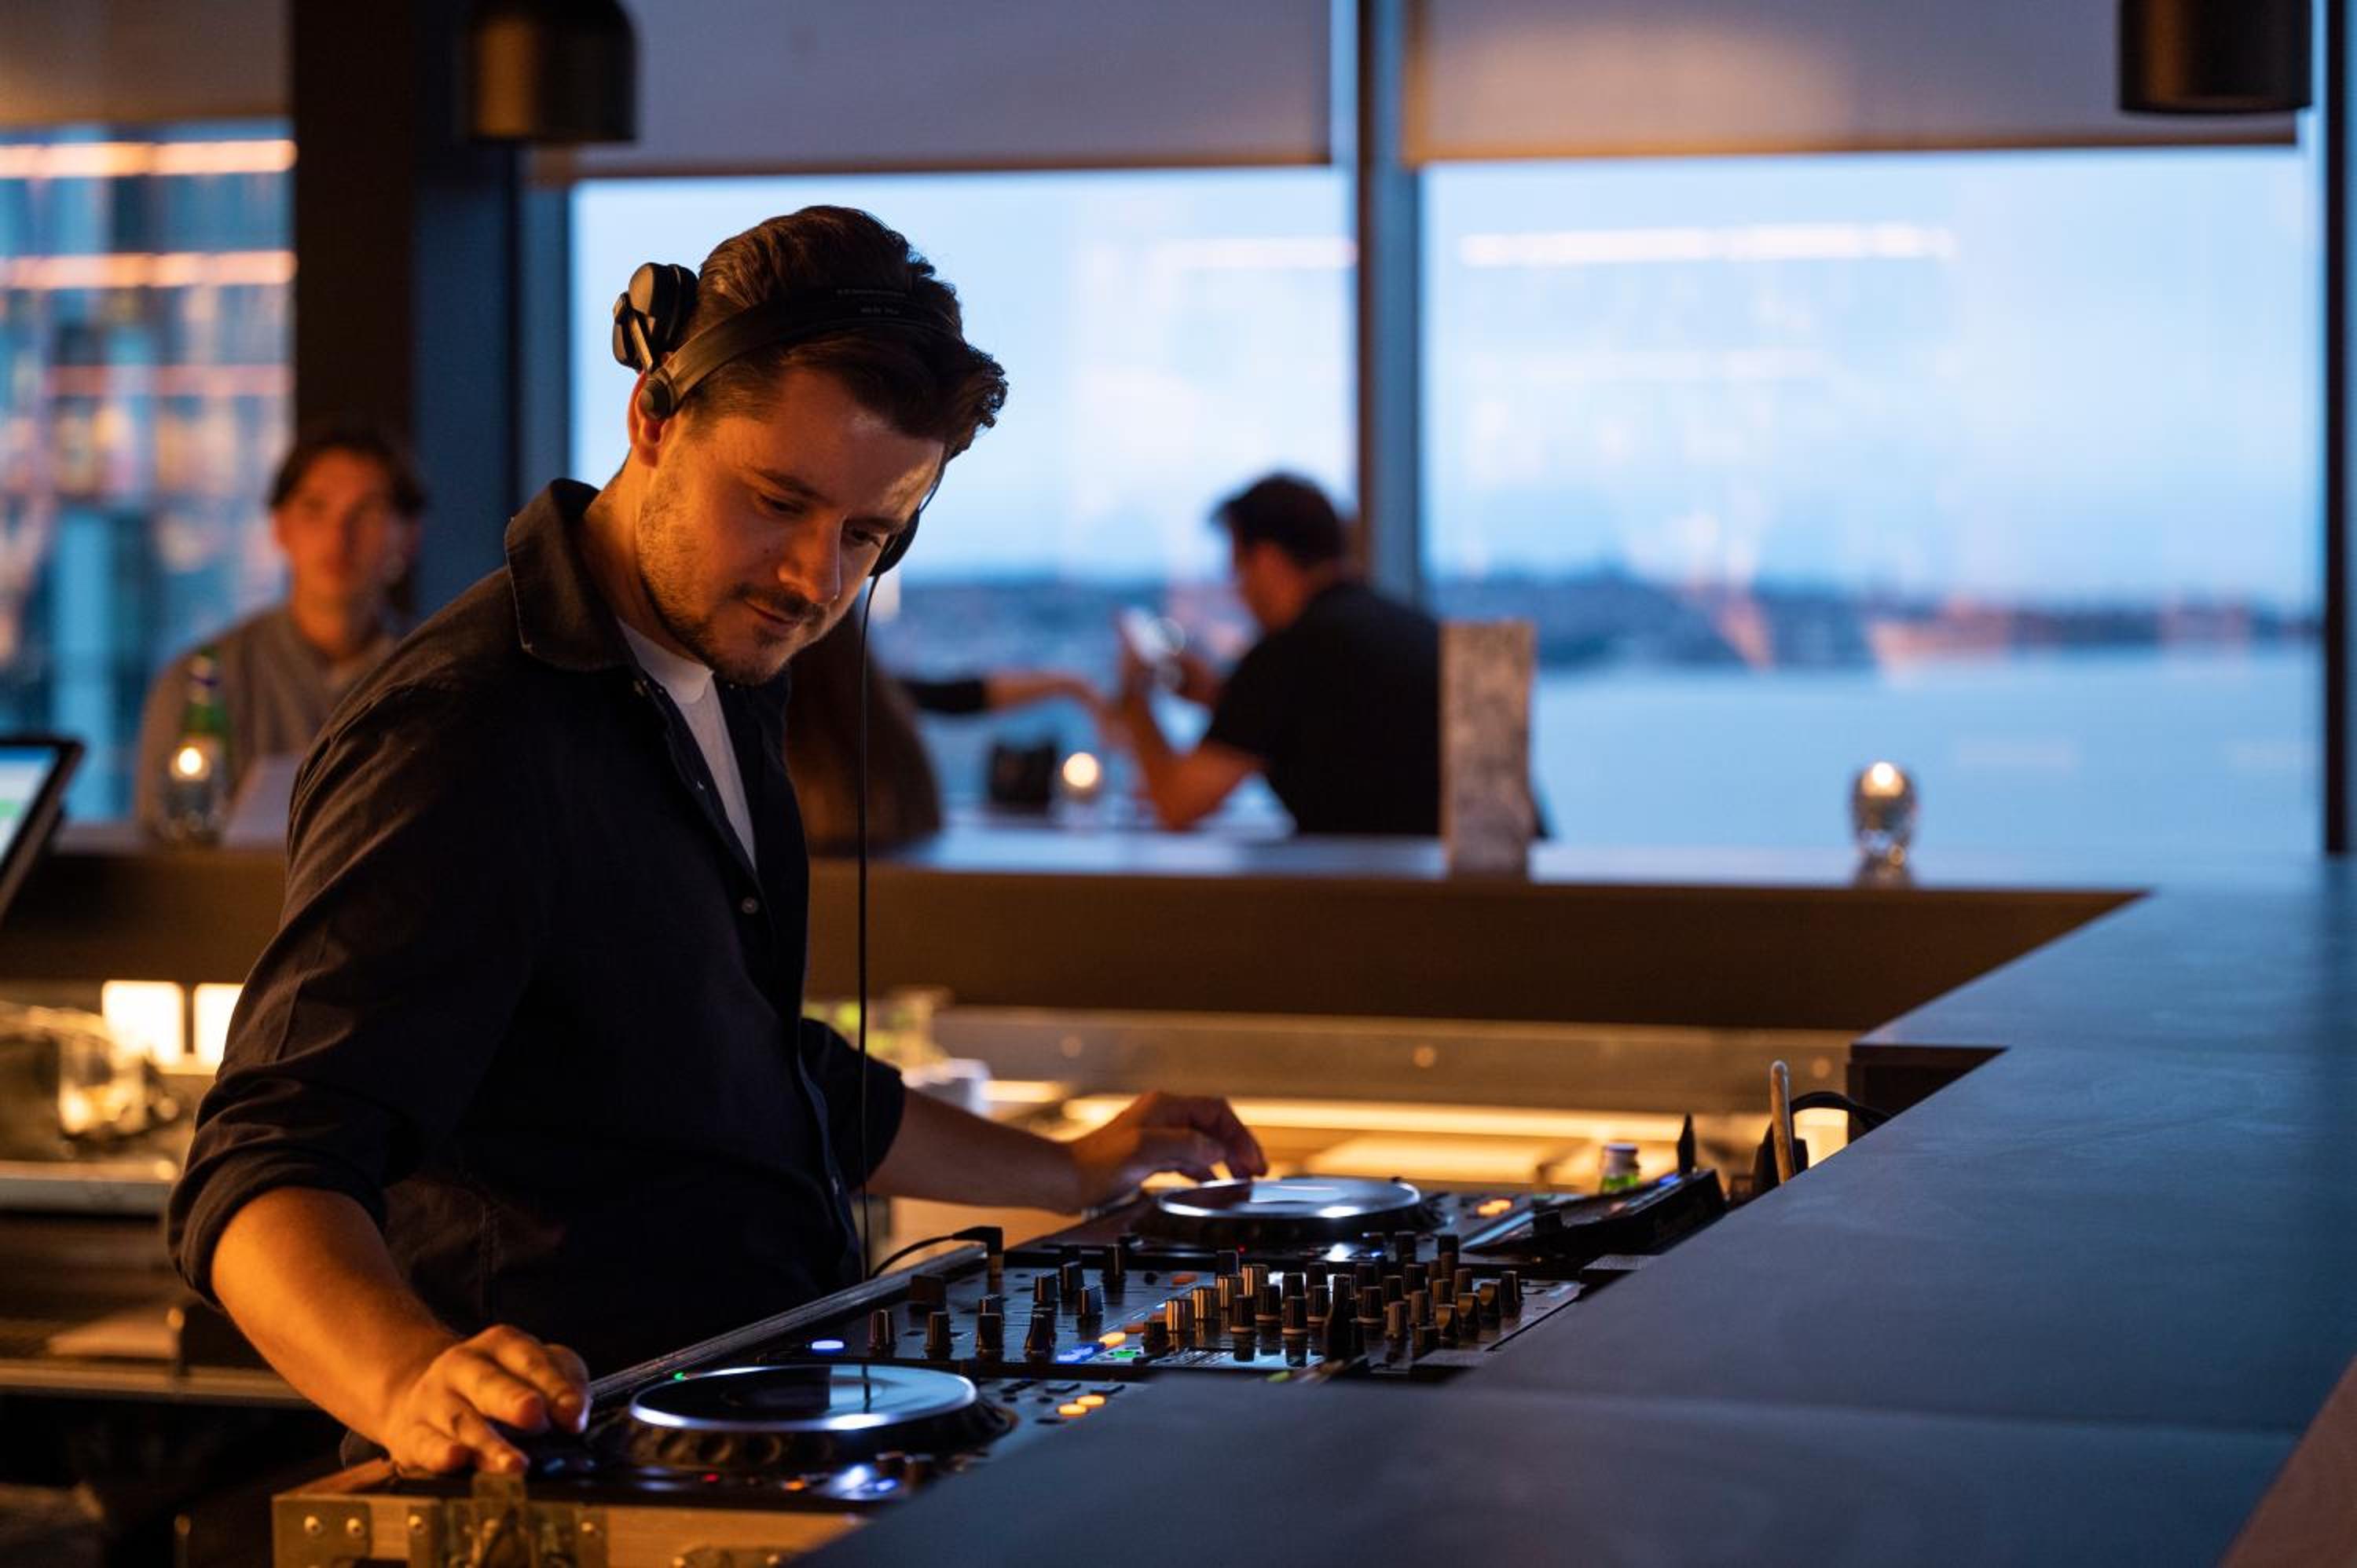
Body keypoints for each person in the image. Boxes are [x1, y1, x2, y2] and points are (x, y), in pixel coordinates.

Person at [164, 206, 1264, 1477]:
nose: (814, 579)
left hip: (752, 1444)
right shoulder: (463, 730)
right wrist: (409, 1378)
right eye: (778, 502)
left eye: (868, 535)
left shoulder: (723, 667)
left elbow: (752, 1063)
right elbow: (264, 1159)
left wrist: (1067, 1171)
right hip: (566, 1481)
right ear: (654, 416)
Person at [132, 421, 424, 837]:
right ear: (280, 527)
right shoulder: (200, 684)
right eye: (315, 508)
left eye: (367, 512)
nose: (338, 535)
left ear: (408, 537)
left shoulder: (432, 675)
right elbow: (161, 854)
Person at [1116, 474, 1441, 835]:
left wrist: (1134, 695)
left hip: (1358, 870)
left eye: (1237, 568)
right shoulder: (1414, 629)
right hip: (1436, 864)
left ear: (1267, 560)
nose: (1238, 591)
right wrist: (1221, 698)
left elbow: (1175, 804)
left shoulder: (1288, 654)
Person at [785, 612, 1106, 851]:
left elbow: (962, 695)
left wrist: (1070, 685)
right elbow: (958, 697)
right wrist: (1070, 686)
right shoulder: (876, 702)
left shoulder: (789, 718)